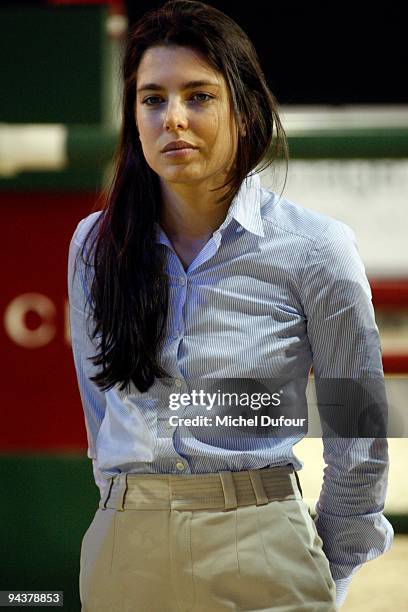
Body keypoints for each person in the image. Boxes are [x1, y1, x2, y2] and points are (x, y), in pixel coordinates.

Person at [67, 1, 393, 610]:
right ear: (133, 116)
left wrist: (322, 568)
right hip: (125, 547)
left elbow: (360, 437)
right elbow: (100, 413)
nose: (174, 120)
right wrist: (127, 518)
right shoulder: (95, 244)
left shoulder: (316, 248)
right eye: (153, 99)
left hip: (265, 542)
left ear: (244, 107)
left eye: (199, 96)